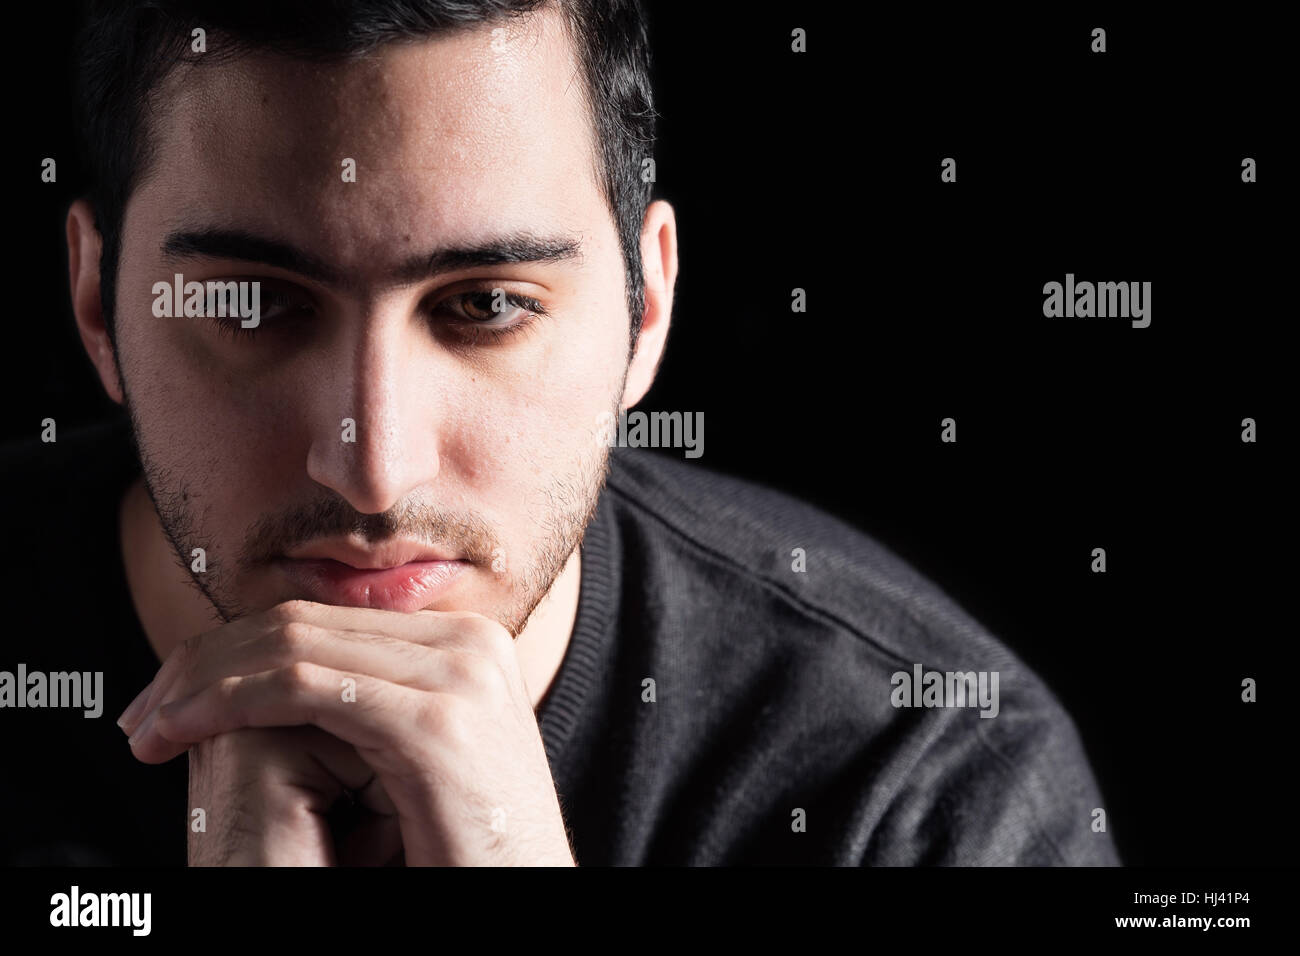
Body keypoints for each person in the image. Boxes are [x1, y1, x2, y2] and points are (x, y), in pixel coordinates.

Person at [0, 0, 1119, 866]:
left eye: (484, 304)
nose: (373, 466)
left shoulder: (917, 782)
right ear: (97, 301)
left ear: (645, 311)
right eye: (249, 304)